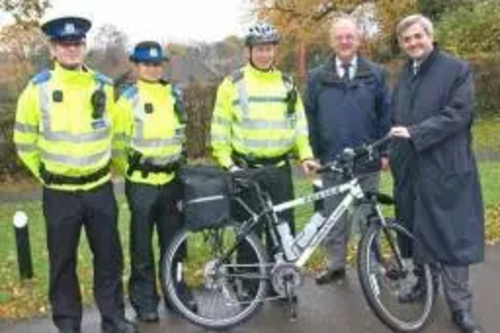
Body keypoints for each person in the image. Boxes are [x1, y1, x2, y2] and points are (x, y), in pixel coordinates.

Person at [13, 15, 137, 333]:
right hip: (59, 193)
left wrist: (116, 169)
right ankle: (68, 324)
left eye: (77, 43)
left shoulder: (104, 87)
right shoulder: (36, 90)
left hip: (99, 189)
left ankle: (113, 319)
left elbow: (118, 136)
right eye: (64, 44)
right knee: (62, 263)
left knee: (109, 258)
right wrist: (45, 173)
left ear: (84, 47)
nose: (71, 49)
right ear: (53, 49)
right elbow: (24, 140)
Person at [389, 14, 485, 333]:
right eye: (407, 39)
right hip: (411, 169)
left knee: (452, 237)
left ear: (430, 36)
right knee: (415, 230)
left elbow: (458, 114)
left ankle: (460, 306)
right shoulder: (405, 75)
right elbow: (395, 120)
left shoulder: (456, 70)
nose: (413, 43)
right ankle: (423, 287)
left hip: (446, 169)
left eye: (418, 36)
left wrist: (417, 133)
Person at [210, 21, 318, 297]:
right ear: (249, 51)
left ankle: (281, 283)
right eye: (259, 49)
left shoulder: (287, 83)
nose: (264, 54)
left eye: (269, 48)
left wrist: (305, 155)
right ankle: (249, 286)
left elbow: (298, 126)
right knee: (249, 231)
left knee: (284, 230)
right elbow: (220, 129)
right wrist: (228, 165)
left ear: (274, 51)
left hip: (280, 169)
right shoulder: (232, 83)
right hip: (247, 169)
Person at [304, 15, 391, 285]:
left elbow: (385, 114)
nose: (344, 41)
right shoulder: (317, 77)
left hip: (367, 160)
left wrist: (385, 151)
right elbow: (309, 118)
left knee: (368, 217)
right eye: (339, 37)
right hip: (331, 162)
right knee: (334, 218)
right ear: (332, 41)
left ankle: (374, 264)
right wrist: (313, 154)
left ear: (358, 40)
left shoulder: (376, 73)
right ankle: (335, 266)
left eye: (349, 36)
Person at [112, 41, 195, 322]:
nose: (152, 68)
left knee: (176, 244)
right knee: (142, 247)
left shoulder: (175, 95)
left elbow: (181, 138)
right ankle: (145, 302)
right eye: (146, 64)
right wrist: (132, 172)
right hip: (142, 183)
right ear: (136, 67)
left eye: (157, 63)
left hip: (172, 181)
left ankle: (177, 294)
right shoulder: (127, 99)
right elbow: (118, 145)